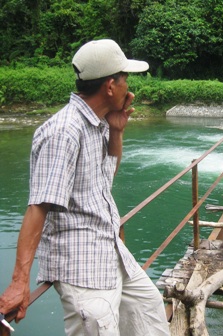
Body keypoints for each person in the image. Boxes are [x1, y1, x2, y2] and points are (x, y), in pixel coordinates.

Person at [0, 39, 170, 336]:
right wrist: (19, 282)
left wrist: (116, 131)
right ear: (109, 86)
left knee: (149, 309)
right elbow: (39, 206)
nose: (129, 85)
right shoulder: (64, 132)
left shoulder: (98, 123)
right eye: (125, 78)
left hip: (110, 250)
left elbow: (104, 179)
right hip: (81, 266)